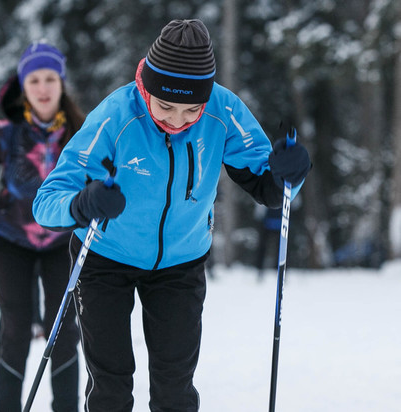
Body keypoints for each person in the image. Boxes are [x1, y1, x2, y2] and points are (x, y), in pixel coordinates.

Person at [32, 19, 312, 411]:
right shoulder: (115, 116)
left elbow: (270, 187)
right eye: (165, 106)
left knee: (175, 389)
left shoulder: (224, 111)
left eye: (191, 109)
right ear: (146, 87)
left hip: (181, 262)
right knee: (110, 387)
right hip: (104, 259)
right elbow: (47, 200)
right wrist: (83, 204)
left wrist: (291, 173)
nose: (177, 120)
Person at [0, 41, 85, 412]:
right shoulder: (5, 131)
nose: (43, 88)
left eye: (50, 79)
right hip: (10, 239)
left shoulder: (80, 131)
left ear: (61, 84)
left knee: (64, 331)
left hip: (63, 243)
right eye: (35, 80)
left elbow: (101, 180)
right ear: (24, 87)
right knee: (16, 328)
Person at [254, 205, 283, 279]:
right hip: (270, 222)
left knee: (280, 248)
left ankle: (280, 272)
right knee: (280, 248)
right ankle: (260, 271)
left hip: (272, 222)